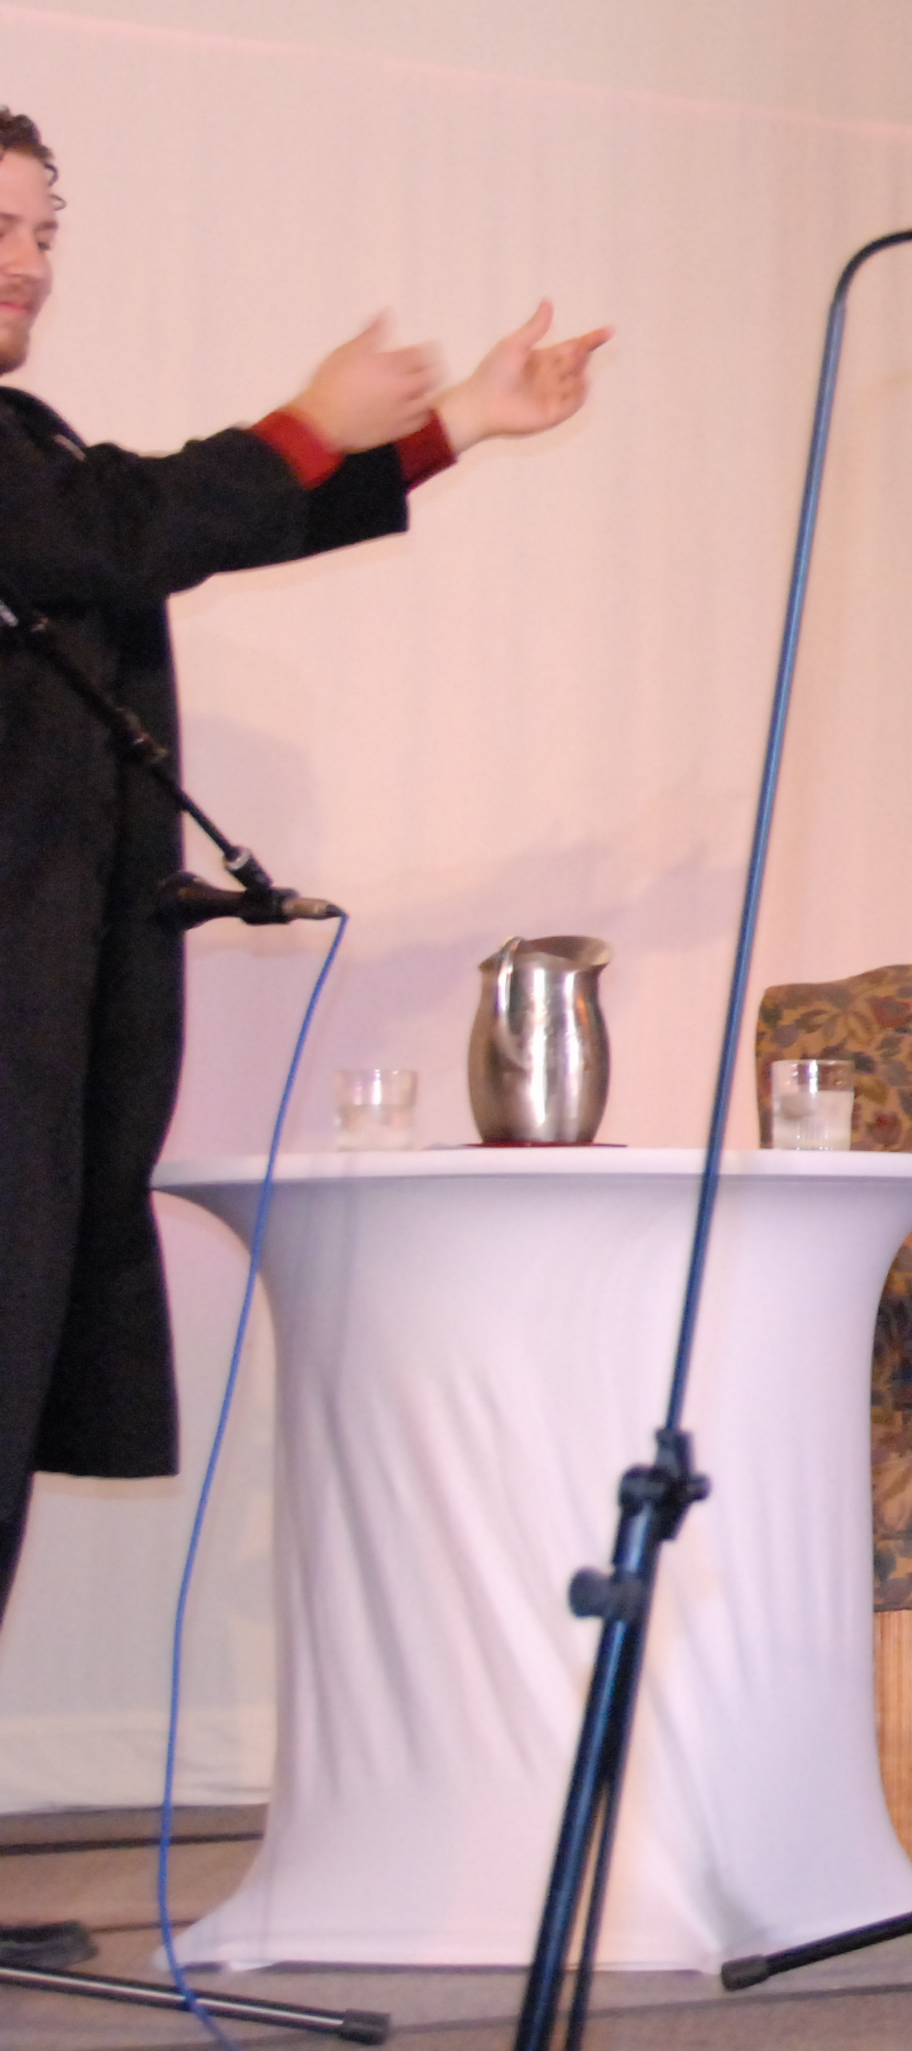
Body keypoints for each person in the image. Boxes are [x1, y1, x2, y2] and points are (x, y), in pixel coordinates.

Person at [0, 111, 602, 1971]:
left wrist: (450, 429)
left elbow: (139, 543)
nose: (27, 262)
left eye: (43, 230)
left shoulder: (20, 439)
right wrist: (304, 420)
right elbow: (117, 530)